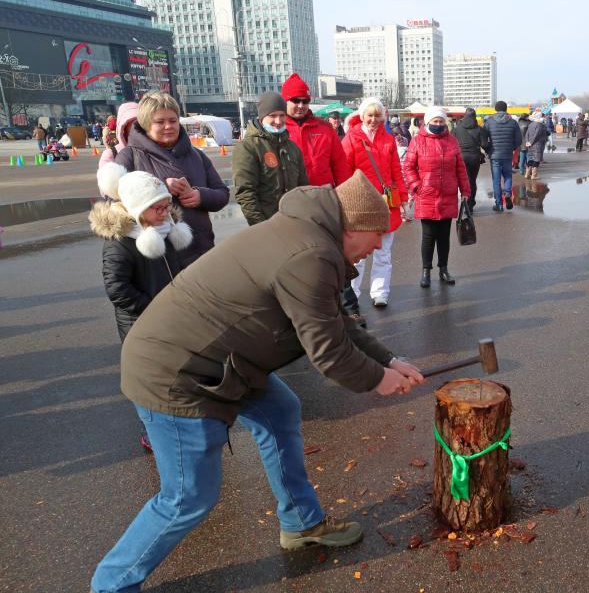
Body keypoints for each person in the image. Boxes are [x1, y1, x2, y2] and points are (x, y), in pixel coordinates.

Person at [89, 170, 426, 593]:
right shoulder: (309, 254)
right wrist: (379, 381)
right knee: (187, 498)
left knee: (280, 410)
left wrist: (390, 359)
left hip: (225, 360)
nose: (378, 245)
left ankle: (301, 523)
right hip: (174, 372)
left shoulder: (309, 235)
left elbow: (336, 323)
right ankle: (111, 584)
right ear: (353, 226)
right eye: (377, 235)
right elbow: (328, 352)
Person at [90, 164, 193, 453]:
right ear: (136, 209)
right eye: (157, 208)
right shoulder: (120, 243)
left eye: (166, 205)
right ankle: (154, 433)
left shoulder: (166, 230)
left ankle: (179, 423)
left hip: (170, 317)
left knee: (175, 372)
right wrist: (154, 310)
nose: (165, 212)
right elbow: (117, 289)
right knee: (150, 381)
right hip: (141, 322)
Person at [280, 74, 364, 323]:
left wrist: (346, 199)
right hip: (291, 209)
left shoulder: (324, 128)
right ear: (285, 100)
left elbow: (340, 167)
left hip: (325, 204)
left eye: (305, 100)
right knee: (297, 261)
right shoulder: (278, 129)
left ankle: (349, 308)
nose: (301, 105)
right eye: (295, 100)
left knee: (336, 256)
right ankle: (302, 314)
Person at [115, 91, 229, 266]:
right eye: (160, 122)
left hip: (202, 249)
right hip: (159, 258)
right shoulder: (129, 156)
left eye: (173, 120)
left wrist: (201, 196)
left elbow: (222, 194)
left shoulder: (197, 155)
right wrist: (159, 190)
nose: (168, 126)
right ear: (146, 124)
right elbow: (114, 204)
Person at [342, 97, 408, 308]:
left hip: (386, 203)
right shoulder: (351, 138)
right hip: (361, 203)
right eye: (369, 115)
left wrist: (404, 197)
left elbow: (396, 170)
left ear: (383, 117)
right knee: (357, 255)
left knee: (383, 253)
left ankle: (380, 292)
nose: (373, 119)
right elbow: (344, 173)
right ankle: (352, 293)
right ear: (362, 116)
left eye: (377, 115)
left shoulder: (388, 140)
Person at [404, 106, 472, 288]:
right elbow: (408, 167)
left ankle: (444, 269)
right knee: (428, 236)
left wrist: (465, 191)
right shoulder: (417, 141)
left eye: (441, 121)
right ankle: (426, 271)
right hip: (426, 195)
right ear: (427, 122)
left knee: (444, 237)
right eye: (435, 121)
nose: (439, 124)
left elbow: (460, 168)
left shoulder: (452, 141)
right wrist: (417, 186)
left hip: (447, 194)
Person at [233, 92, 309, 226]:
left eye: (282, 115)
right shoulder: (248, 147)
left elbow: (303, 187)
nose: (278, 121)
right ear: (262, 117)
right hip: (267, 224)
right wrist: (261, 226)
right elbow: (246, 194)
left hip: (294, 222)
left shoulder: (293, 148)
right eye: (272, 116)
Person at [484, 101, 522, 212]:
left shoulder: (489, 122)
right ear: (506, 109)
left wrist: (488, 149)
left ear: (495, 109)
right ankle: (507, 194)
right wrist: (512, 147)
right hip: (507, 153)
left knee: (496, 179)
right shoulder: (513, 122)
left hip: (494, 154)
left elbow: (484, 138)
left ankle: (498, 204)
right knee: (507, 176)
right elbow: (519, 140)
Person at [453, 107, 490, 210]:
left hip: (460, 157)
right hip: (474, 157)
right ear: (474, 116)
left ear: (464, 116)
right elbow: (484, 144)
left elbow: (451, 144)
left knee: (463, 180)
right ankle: (470, 203)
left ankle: (464, 201)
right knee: (472, 180)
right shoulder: (480, 129)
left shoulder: (457, 129)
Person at [98, 103, 138, 168]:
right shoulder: (111, 154)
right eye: (130, 124)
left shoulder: (152, 149)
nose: (135, 128)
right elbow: (106, 177)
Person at [524, 110, 549, 179]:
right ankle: (534, 175)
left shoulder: (531, 124)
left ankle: (527, 174)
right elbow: (536, 134)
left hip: (530, 145)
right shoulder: (540, 125)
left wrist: (528, 142)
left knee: (531, 159)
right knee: (537, 159)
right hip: (538, 144)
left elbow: (527, 134)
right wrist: (531, 142)